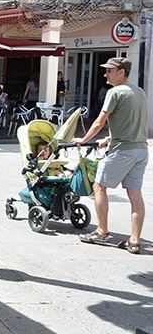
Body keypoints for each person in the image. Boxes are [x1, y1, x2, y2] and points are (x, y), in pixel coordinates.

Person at [74, 57, 148, 255]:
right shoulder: (139, 92)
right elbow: (132, 122)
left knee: (99, 186)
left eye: (109, 71)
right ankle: (135, 241)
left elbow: (99, 121)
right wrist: (109, 138)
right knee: (135, 194)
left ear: (121, 72)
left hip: (122, 151)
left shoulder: (114, 92)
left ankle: (102, 232)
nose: (105, 74)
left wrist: (83, 139)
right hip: (141, 150)